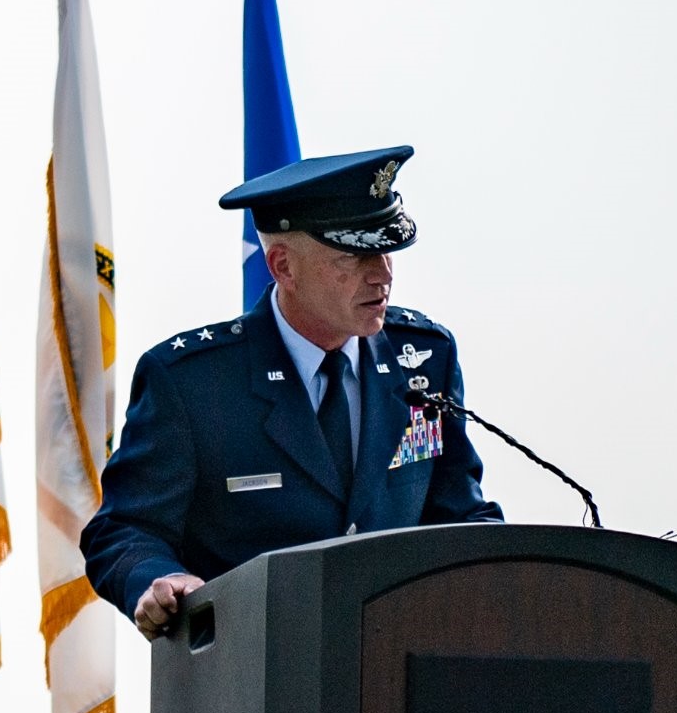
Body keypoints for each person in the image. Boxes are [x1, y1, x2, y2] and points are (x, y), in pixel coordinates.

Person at [82, 144, 499, 638]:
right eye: (355, 256)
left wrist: (516, 570)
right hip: (256, 664)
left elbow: (458, 514)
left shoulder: (425, 358)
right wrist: (159, 579)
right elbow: (125, 529)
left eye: (387, 249)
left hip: (397, 660)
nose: (383, 274)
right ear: (283, 266)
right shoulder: (192, 382)